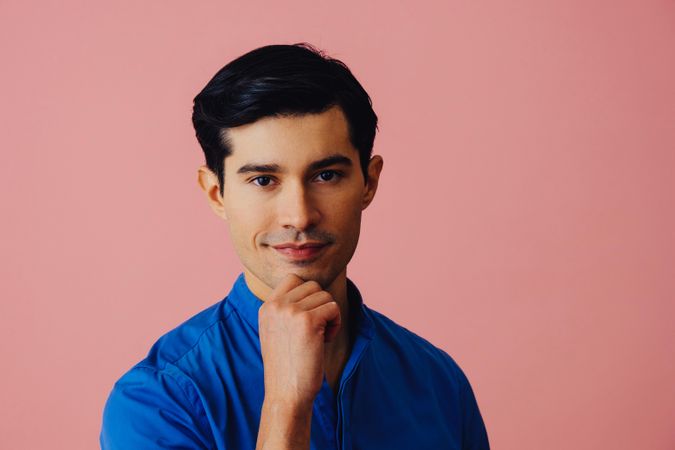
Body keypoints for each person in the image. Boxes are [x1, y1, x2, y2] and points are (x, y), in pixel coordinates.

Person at [100, 43, 490, 450]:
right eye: (263, 180)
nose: (299, 216)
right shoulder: (157, 403)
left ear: (369, 183)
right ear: (217, 193)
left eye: (326, 175)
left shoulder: (439, 382)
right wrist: (286, 405)